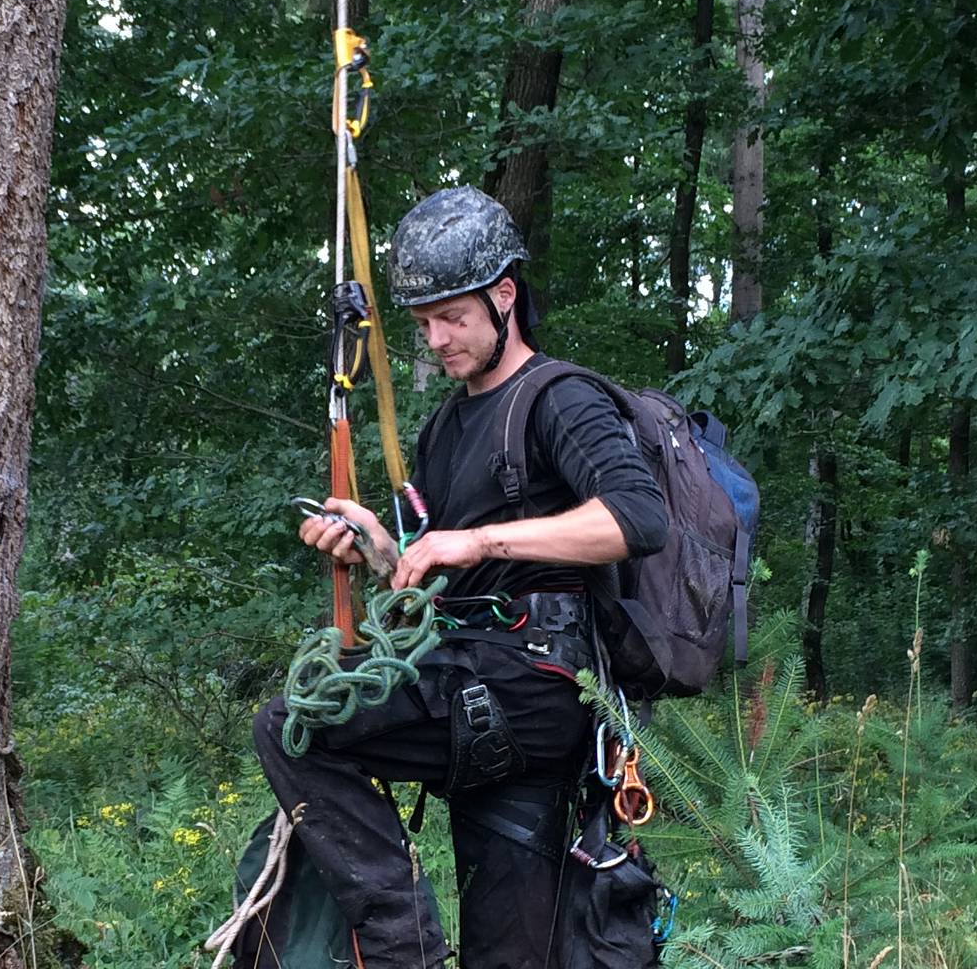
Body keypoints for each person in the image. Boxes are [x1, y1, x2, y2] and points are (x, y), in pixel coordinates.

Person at [254, 186, 670, 969]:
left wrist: (473, 541)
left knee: (294, 726)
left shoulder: (558, 398)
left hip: (538, 683)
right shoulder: (447, 426)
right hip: (480, 684)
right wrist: (379, 549)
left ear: (504, 295)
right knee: (510, 956)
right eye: (423, 324)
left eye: (454, 318)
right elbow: (434, 579)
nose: (438, 339)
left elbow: (639, 519)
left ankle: (399, 947)